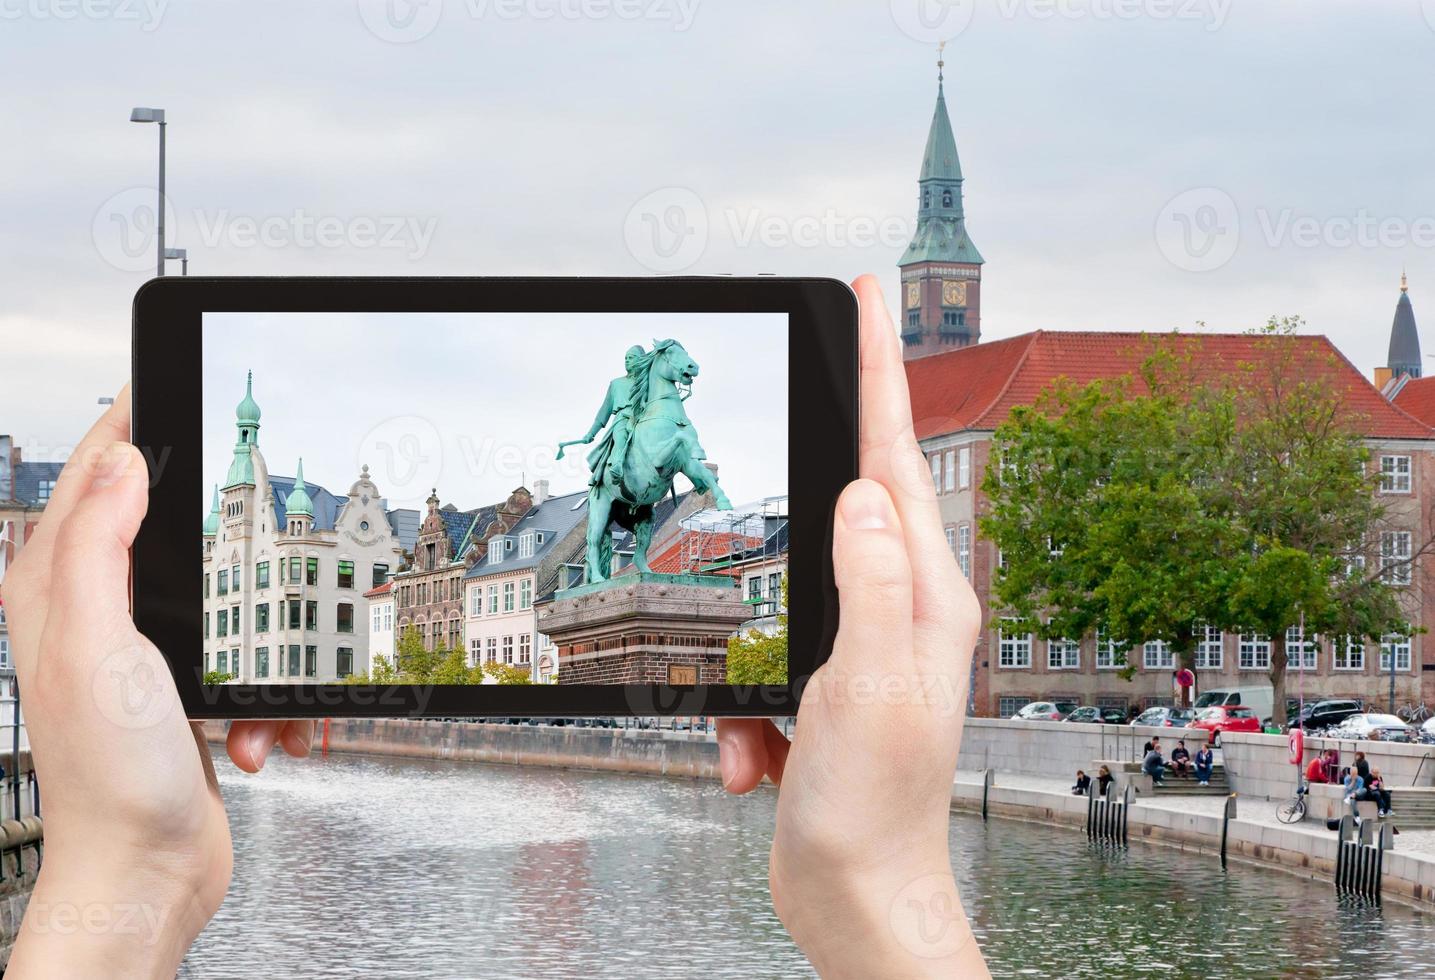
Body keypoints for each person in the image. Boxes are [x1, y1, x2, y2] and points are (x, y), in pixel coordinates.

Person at [0, 276, 994, 978]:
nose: (663, 375)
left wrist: (123, 882)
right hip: (600, 478)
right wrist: (878, 895)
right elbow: (603, 426)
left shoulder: (658, 399)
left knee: (645, 491)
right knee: (613, 479)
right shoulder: (625, 392)